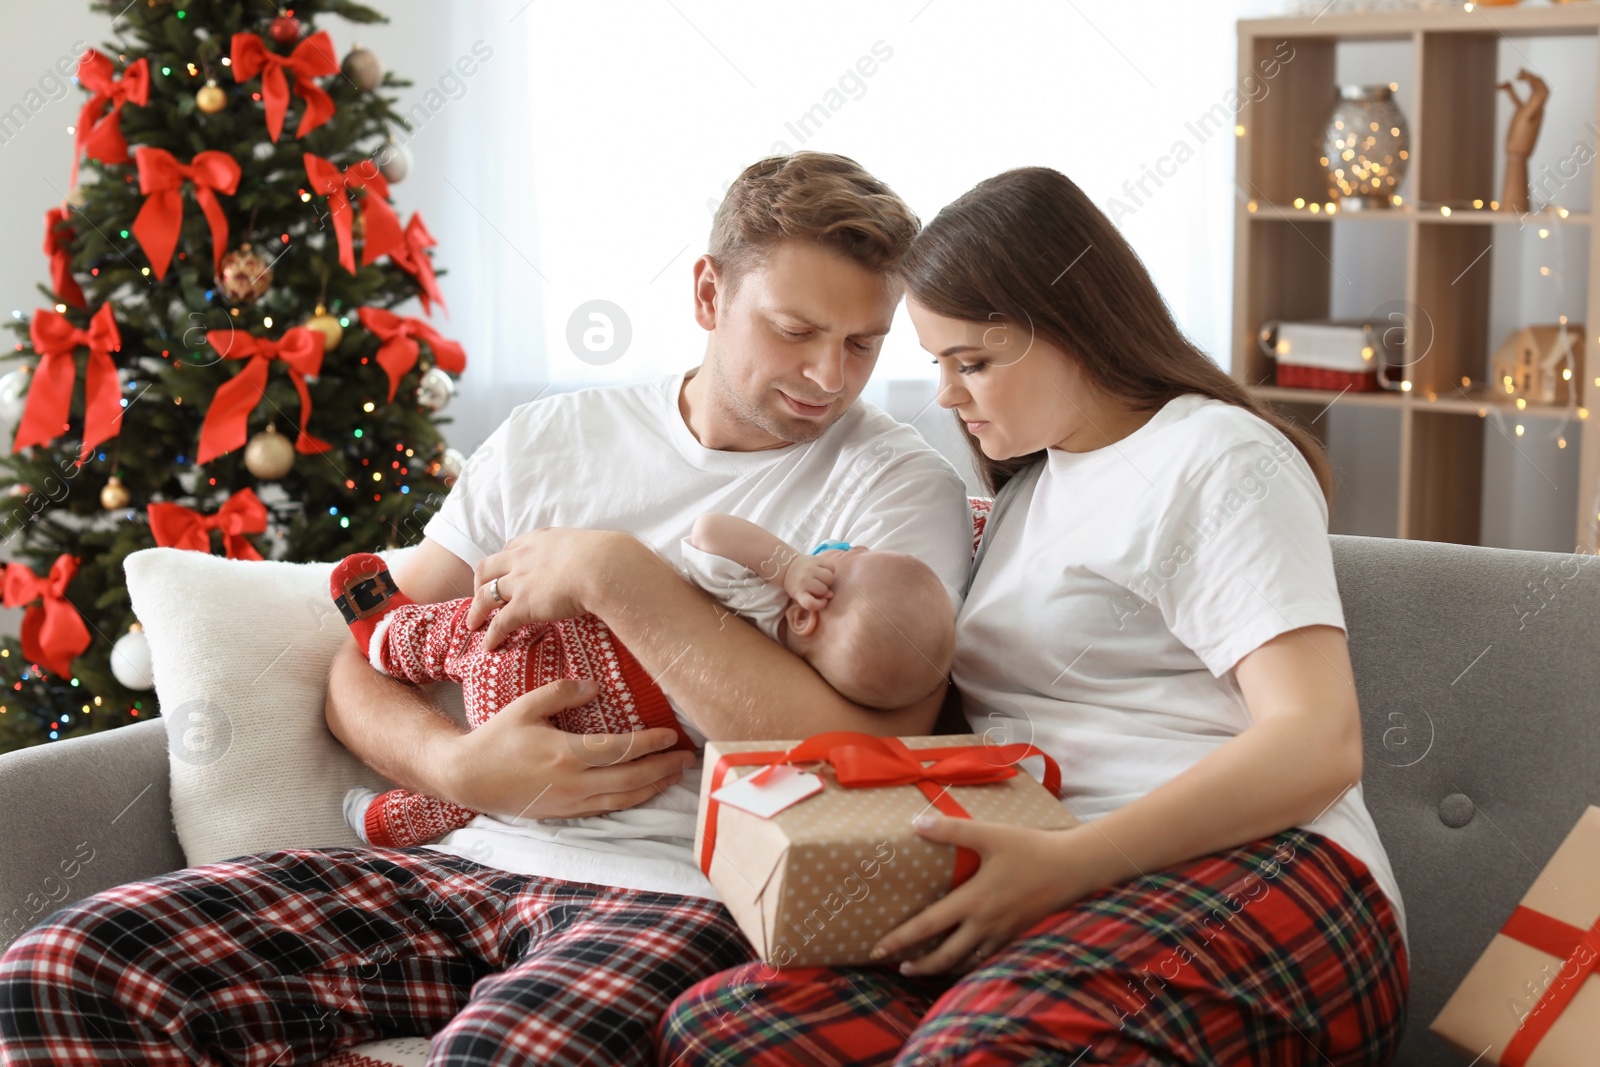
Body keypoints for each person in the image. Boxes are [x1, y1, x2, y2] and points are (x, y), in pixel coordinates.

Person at [0, 152, 973, 1066]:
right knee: (64, 969)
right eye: (796, 330)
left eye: (862, 342)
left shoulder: (894, 486)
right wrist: (454, 762)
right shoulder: (553, 438)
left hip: (679, 892)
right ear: (709, 292)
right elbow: (368, 657)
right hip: (457, 864)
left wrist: (616, 576)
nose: (828, 377)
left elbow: (870, 756)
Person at [459, 167, 1410, 1066]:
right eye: (934, 361)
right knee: (729, 1026)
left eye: (974, 361)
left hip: (1263, 873)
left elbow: (1317, 739)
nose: (946, 396)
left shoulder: (1215, 456)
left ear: (1073, 325)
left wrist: (1072, 860)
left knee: (975, 1053)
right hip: (1049, 877)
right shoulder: (1030, 489)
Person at [331, 517, 956, 848]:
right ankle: (400, 817)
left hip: (577, 661)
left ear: (805, 612)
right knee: (497, 772)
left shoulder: (761, 597)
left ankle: (390, 635)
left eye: (852, 561)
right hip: (608, 731)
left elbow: (711, 533)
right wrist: (452, 766)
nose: (852, 546)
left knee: (473, 635)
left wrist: (788, 563)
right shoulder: (775, 703)